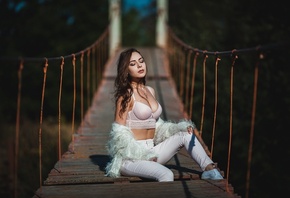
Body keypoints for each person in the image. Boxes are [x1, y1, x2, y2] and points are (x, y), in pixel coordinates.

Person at [105, 48, 223, 182]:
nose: (139, 65)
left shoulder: (149, 90)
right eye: (132, 64)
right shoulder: (125, 95)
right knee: (167, 174)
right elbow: (119, 134)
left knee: (186, 134)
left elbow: (156, 125)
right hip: (131, 157)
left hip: (152, 150)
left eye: (141, 61)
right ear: (126, 70)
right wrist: (143, 155)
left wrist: (177, 128)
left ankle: (210, 170)